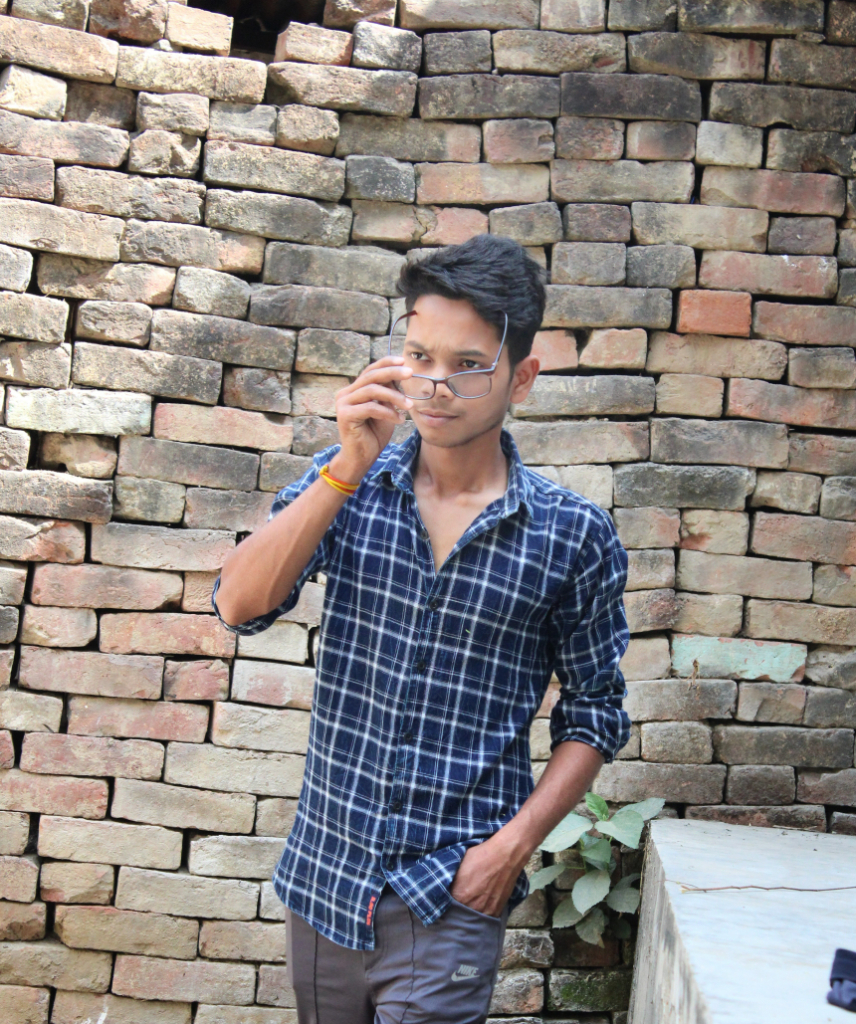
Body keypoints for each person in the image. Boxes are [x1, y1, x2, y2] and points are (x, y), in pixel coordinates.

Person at [212, 234, 631, 1024]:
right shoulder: (349, 483)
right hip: (327, 878)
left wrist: (510, 850)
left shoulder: (572, 536)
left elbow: (595, 714)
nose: (436, 384)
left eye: (469, 363)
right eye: (418, 354)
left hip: (450, 892)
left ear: (523, 377)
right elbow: (238, 605)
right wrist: (344, 466)